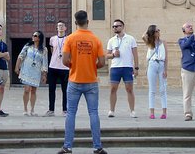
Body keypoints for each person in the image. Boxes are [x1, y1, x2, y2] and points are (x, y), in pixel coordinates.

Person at [58, 10, 107, 154]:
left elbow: (65, 60)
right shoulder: (95, 39)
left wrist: (74, 66)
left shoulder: (70, 39)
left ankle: (67, 146)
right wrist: (93, 66)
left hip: (74, 80)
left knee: (71, 113)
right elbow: (102, 62)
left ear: (75, 23)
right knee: (93, 113)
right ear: (88, 22)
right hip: (91, 81)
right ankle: (97, 146)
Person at [106, 19, 139, 118]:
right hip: (115, 67)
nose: (115, 28)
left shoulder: (130, 39)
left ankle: (132, 111)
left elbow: (135, 54)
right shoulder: (111, 40)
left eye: (117, 26)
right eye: (114, 26)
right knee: (113, 89)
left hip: (127, 67)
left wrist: (136, 67)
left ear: (122, 27)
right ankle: (111, 110)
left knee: (129, 89)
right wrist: (113, 54)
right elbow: (106, 55)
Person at [15, 30, 48, 116]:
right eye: (33, 35)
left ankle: (32, 110)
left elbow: (44, 62)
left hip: (36, 71)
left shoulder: (44, 49)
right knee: (26, 90)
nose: (33, 37)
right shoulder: (28, 46)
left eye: (36, 35)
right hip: (26, 69)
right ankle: (25, 109)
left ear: (39, 38)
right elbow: (21, 56)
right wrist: (17, 66)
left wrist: (44, 74)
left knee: (33, 90)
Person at [142, 25, 168, 119]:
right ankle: (152, 112)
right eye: (156, 31)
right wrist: (150, 30)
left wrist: (165, 69)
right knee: (152, 89)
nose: (158, 32)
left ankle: (164, 112)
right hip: (152, 64)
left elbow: (166, 58)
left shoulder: (163, 42)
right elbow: (143, 36)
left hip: (161, 64)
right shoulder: (149, 42)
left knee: (162, 89)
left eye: (158, 30)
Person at [45, 20, 69, 116]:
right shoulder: (52, 39)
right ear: (56, 28)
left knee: (65, 89)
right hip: (53, 66)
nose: (60, 27)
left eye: (62, 25)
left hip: (65, 67)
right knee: (51, 89)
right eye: (59, 26)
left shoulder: (68, 39)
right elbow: (52, 50)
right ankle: (51, 110)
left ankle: (65, 110)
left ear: (65, 28)